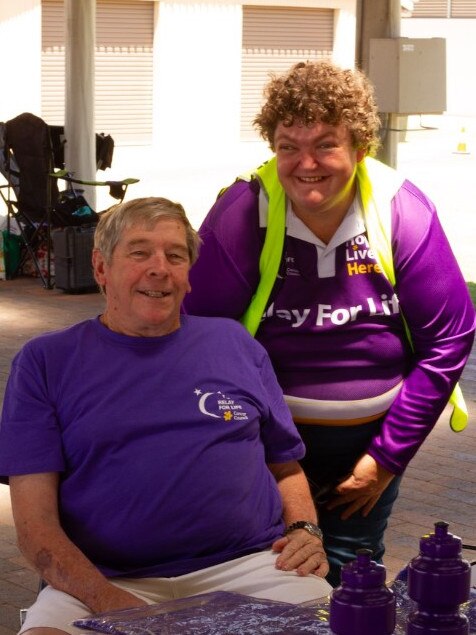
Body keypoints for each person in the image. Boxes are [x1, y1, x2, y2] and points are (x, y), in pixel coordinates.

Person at [183, 60, 476, 587]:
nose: (305, 163)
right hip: (264, 445)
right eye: (288, 145)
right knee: (265, 573)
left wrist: (386, 458)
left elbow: (450, 338)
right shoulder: (245, 212)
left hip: (367, 449)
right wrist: (252, 445)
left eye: (325, 144)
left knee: (351, 572)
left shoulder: (399, 211)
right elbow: (199, 336)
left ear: (361, 147)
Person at [0, 197, 332, 635]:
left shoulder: (234, 344)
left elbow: (285, 466)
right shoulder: (45, 362)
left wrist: (306, 529)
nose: (160, 268)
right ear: (101, 269)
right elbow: (36, 527)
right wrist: (121, 608)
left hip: (252, 567)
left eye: (175, 256)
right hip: (102, 581)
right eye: (139, 253)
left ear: (188, 275)